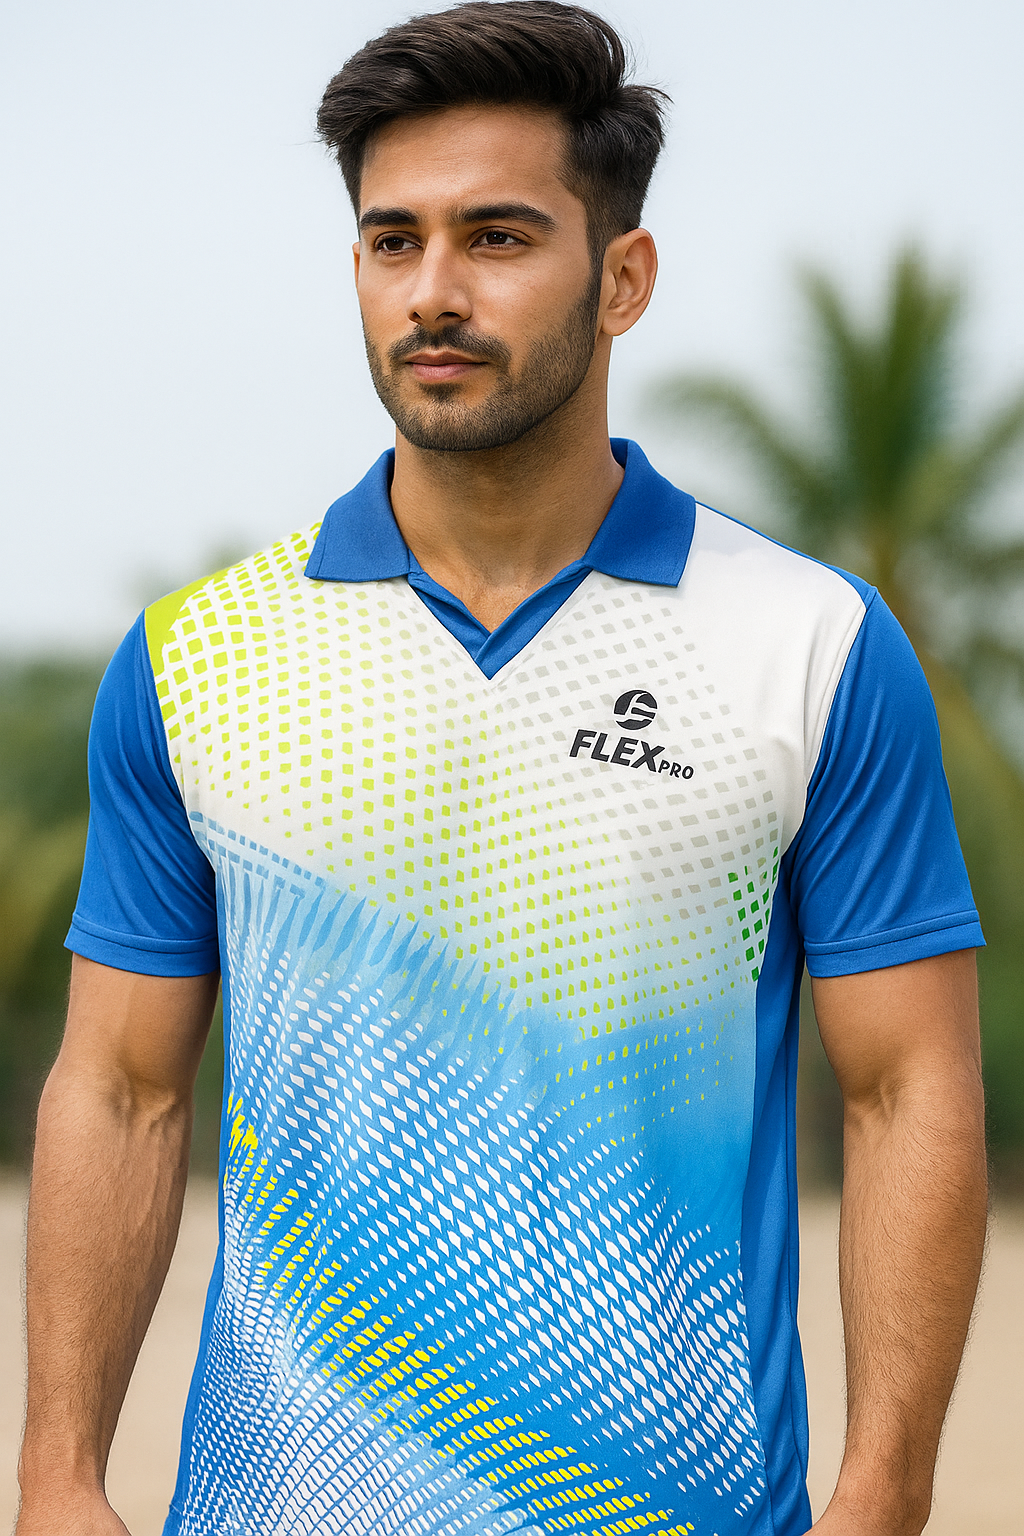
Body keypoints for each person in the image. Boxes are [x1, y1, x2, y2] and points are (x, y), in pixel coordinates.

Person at [18, 4, 987, 1535]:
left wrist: (884, 1499)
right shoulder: (199, 657)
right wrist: (56, 1473)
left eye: (498, 237)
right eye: (392, 241)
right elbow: (122, 1089)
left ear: (624, 277)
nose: (435, 292)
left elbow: (906, 1089)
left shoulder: (809, 644)